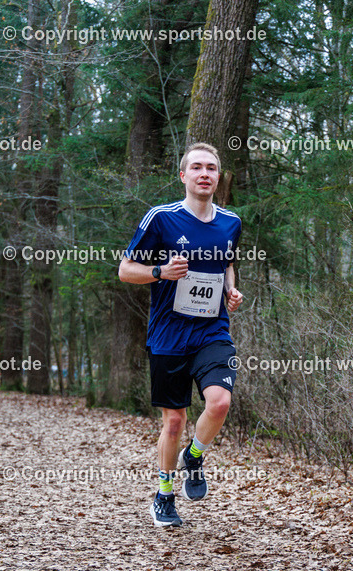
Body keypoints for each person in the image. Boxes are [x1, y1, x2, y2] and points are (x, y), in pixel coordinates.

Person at [118, 142, 244, 527]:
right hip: (169, 335)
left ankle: (195, 455)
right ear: (183, 176)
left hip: (212, 330)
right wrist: (159, 273)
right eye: (197, 168)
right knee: (174, 421)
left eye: (211, 168)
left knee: (219, 402)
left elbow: (227, 263)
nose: (205, 174)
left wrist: (230, 290)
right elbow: (125, 270)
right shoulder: (161, 218)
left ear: (218, 177)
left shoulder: (231, 222)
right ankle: (164, 493)